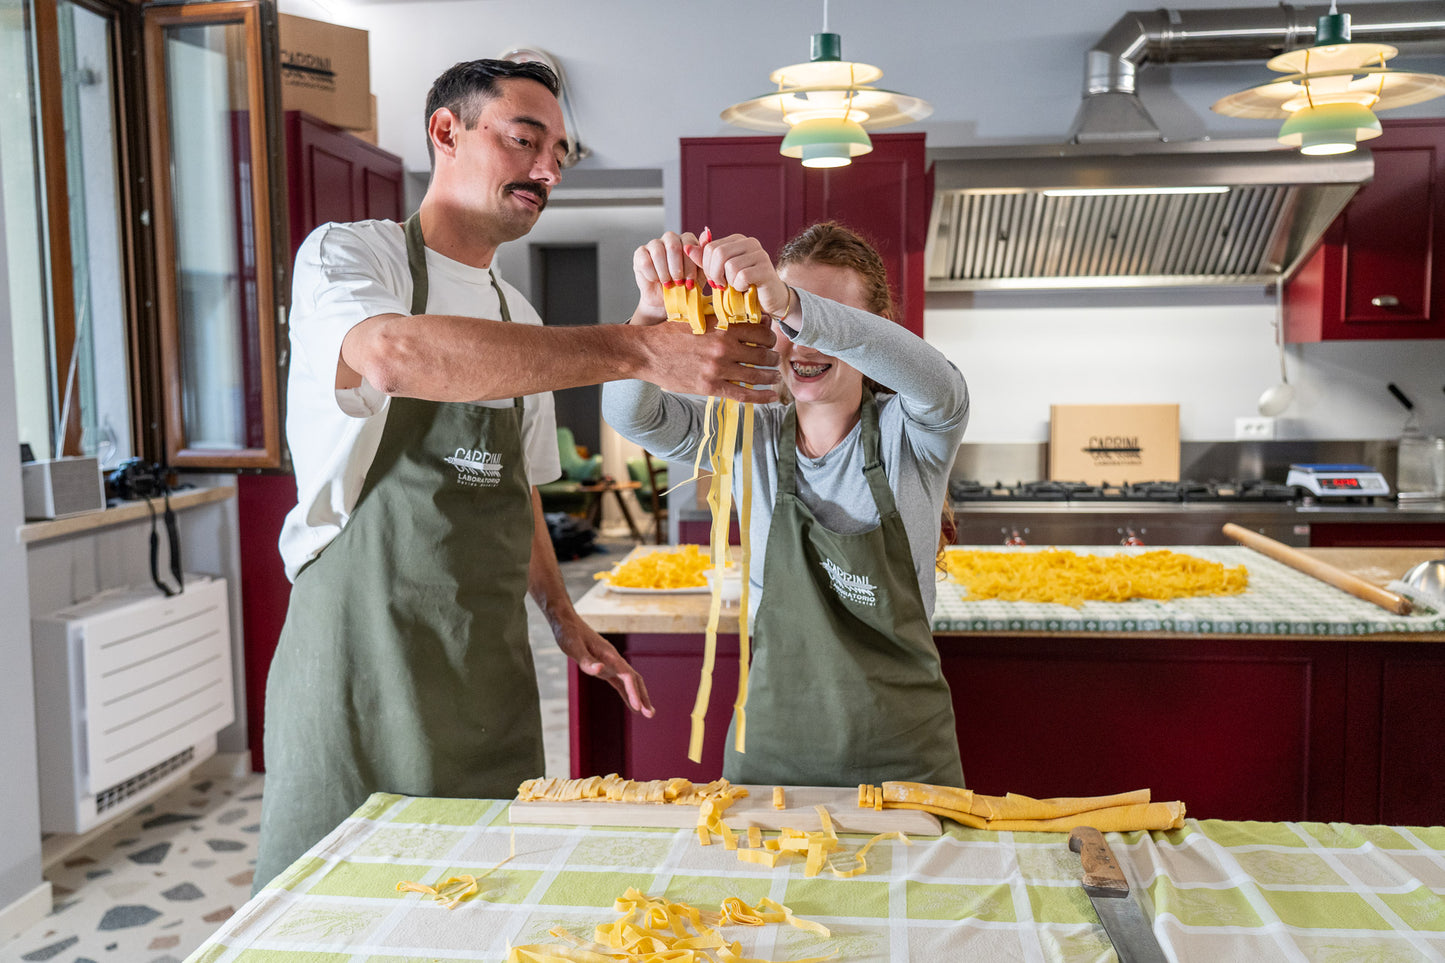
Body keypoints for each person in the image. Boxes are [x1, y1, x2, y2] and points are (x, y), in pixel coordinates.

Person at [253, 59, 779, 891]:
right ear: (446, 132)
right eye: (525, 141)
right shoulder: (353, 256)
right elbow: (392, 354)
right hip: (361, 655)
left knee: (477, 898)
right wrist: (639, 346)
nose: (547, 171)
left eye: (560, 156)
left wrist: (564, 618)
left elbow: (516, 486)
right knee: (336, 898)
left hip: (485, 666)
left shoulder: (515, 315)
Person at [602, 222, 968, 789]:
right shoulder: (746, 432)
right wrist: (649, 316)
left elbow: (941, 385)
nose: (804, 342)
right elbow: (633, 415)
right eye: (786, 324)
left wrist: (793, 302)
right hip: (771, 756)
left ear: (869, 333)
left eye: (826, 322)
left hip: (904, 759)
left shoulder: (914, 434)